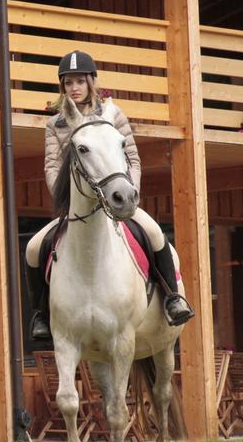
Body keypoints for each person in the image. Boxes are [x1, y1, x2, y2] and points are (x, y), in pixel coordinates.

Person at [26, 50, 195, 342]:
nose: (74, 88)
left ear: (92, 81)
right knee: (33, 247)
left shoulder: (111, 114)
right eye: (68, 83)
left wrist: (129, 193)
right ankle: (41, 313)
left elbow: (132, 158)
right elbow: (53, 166)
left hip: (117, 199)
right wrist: (65, 200)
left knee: (155, 234)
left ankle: (171, 299)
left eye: (80, 81)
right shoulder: (56, 125)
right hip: (78, 206)